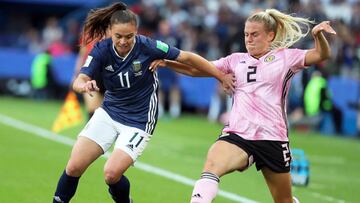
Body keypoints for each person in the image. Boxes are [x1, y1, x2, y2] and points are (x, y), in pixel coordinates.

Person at [52, 2, 234, 203]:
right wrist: (84, 86)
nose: (123, 41)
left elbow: (187, 58)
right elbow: (80, 79)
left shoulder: (148, 46)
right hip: (109, 112)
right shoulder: (101, 49)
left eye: (129, 36)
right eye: (118, 36)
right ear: (110, 31)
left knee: (111, 174)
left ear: (136, 32)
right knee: (74, 166)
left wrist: (220, 76)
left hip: (139, 119)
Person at [150, 9, 336, 203]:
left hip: (272, 137)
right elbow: (195, 69)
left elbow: (321, 55)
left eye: (255, 34)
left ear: (270, 35)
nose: (249, 39)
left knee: (284, 200)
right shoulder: (235, 60)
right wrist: (167, 63)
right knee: (212, 165)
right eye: (246, 34)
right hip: (238, 134)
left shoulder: (286, 58)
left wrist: (318, 36)